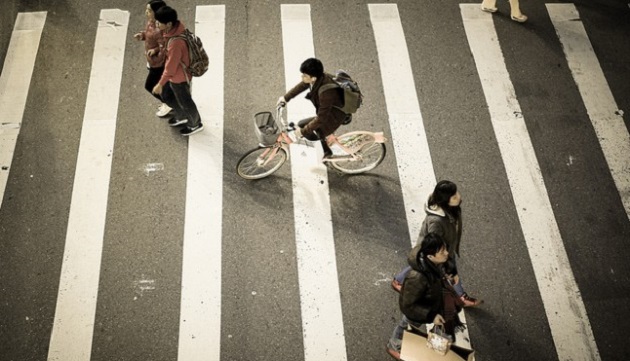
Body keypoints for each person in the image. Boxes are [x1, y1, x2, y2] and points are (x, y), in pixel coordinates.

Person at [391, 180, 481, 307]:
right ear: (445, 201)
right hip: (437, 251)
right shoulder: (436, 222)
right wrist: (446, 259)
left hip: (443, 248)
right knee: (443, 269)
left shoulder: (450, 208)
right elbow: (434, 243)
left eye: (457, 193)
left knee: (419, 264)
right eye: (454, 196)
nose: (459, 197)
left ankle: (398, 280)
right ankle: (460, 297)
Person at [386, 233, 462, 360]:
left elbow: (447, 261)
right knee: (406, 325)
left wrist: (452, 271)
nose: (447, 253)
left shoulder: (436, 259)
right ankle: (393, 345)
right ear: (431, 256)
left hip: (434, 301)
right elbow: (408, 304)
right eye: (442, 252)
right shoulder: (417, 278)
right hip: (420, 311)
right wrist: (431, 315)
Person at [276, 58, 346, 158]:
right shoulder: (318, 77)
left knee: (309, 132)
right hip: (328, 111)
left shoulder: (326, 93)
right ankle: (324, 144)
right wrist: (285, 98)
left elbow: (321, 118)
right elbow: (302, 85)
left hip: (334, 116)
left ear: (313, 78)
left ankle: (327, 151)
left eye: (304, 75)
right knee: (301, 124)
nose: (302, 77)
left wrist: (302, 132)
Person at [152, 6, 204, 136]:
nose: (156, 24)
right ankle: (182, 115)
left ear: (168, 24)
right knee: (167, 95)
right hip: (175, 75)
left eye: (159, 22)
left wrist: (160, 83)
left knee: (185, 101)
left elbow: (171, 67)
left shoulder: (176, 43)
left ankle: (195, 124)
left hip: (179, 77)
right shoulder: (174, 30)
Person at [133, 0, 172, 118]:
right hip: (152, 61)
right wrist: (143, 35)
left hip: (158, 63)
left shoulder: (160, 29)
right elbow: (150, 34)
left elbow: (164, 47)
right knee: (162, 84)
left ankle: (169, 103)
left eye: (149, 10)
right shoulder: (151, 23)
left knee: (149, 85)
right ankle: (169, 100)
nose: (146, 12)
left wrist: (155, 53)